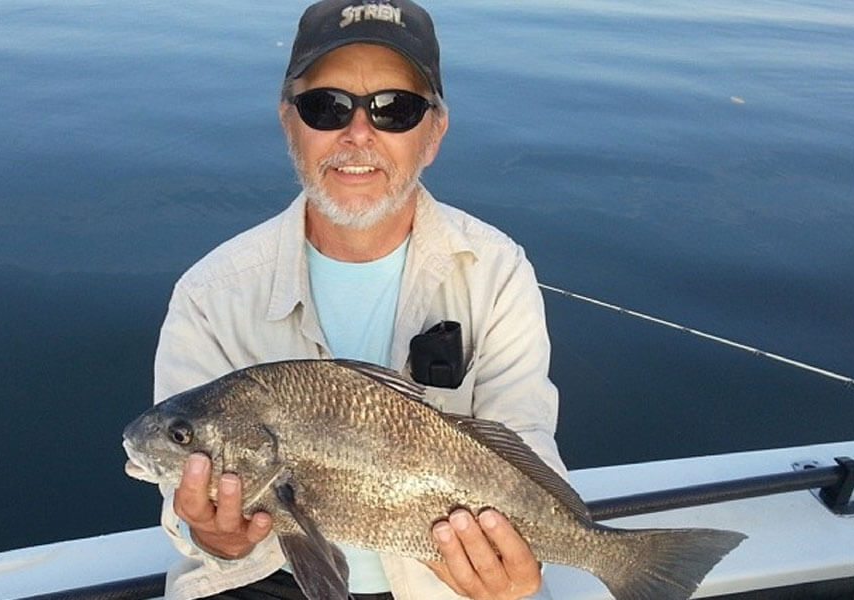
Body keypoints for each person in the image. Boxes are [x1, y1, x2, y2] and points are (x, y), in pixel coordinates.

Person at [152, 1, 567, 599]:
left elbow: (525, 444)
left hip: (449, 583)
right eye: (327, 106)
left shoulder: (496, 271)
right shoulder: (209, 293)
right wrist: (211, 534)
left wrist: (517, 567)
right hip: (263, 576)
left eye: (396, 110)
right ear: (287, 120)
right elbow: (182, 499)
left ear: (435, 133)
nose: (358, 134)